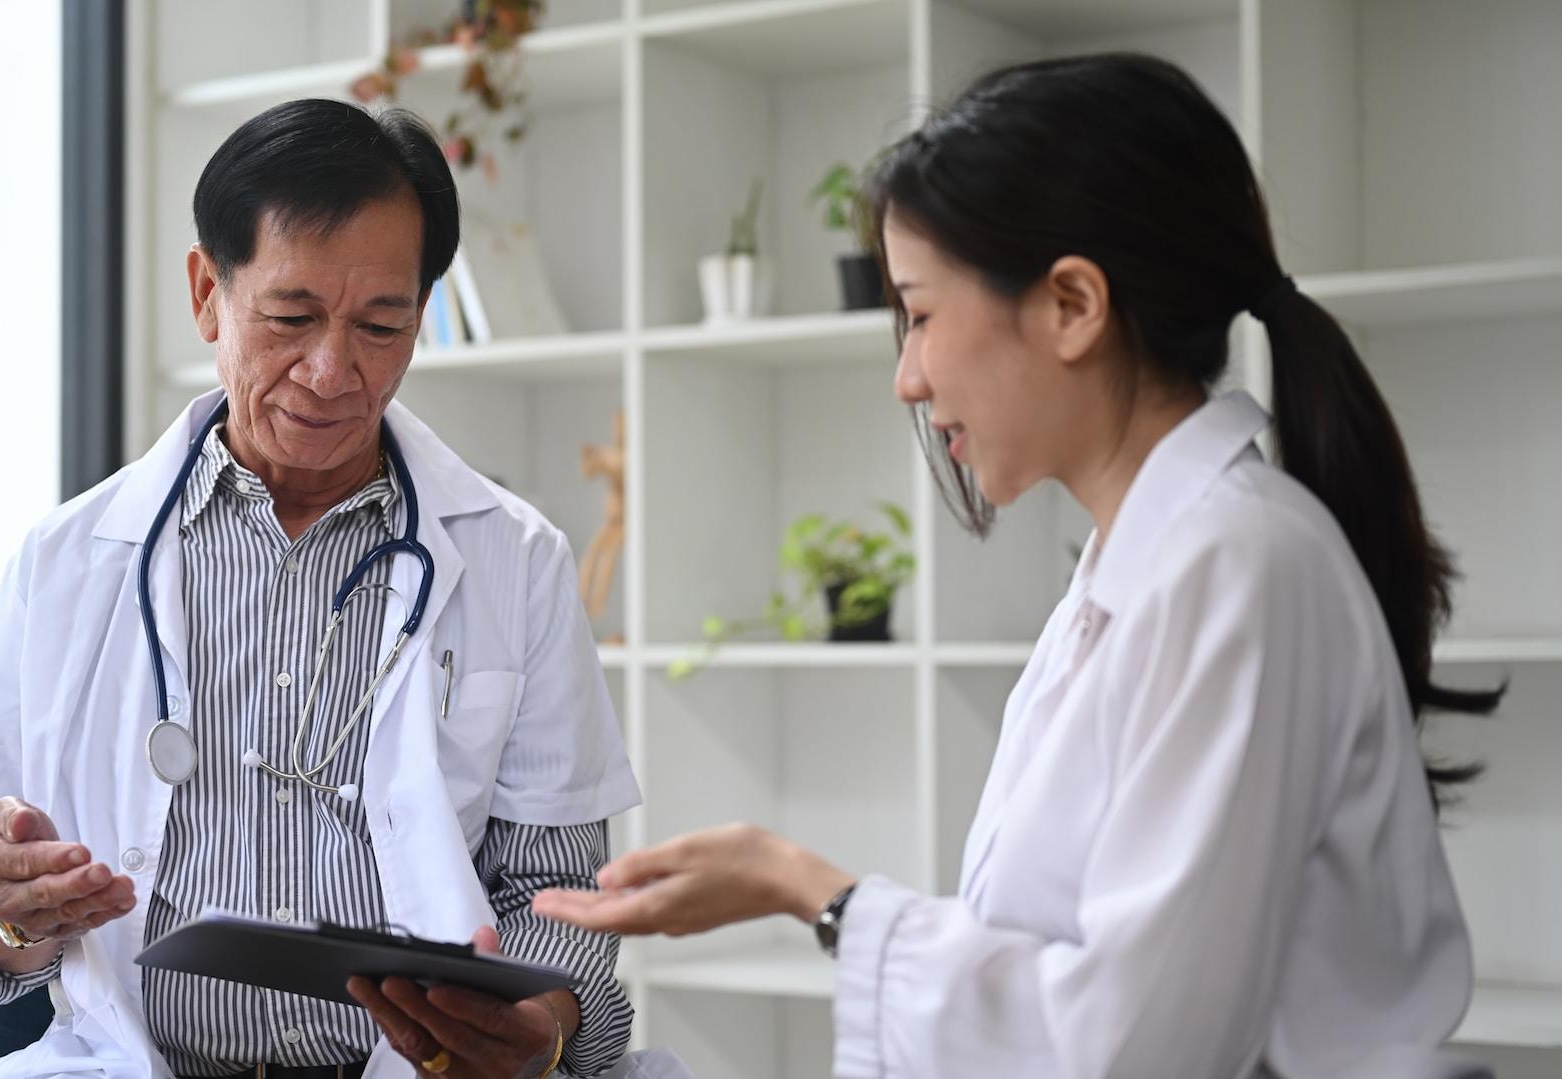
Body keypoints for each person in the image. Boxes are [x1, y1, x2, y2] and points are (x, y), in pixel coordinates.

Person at [534, 53, 1501, 1078]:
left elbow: (1138, 1041)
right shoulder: (1143, 570)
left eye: (920, 312)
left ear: (1074, 303)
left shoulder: (1237, 565)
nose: (908, 376)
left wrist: (804, 885)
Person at [0, 99, 642, 1079]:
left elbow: (561, 898)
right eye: (291, 317)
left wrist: (542, 1024)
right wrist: (4, 909)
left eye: (381, 324)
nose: (331, 369)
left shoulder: (517, 561)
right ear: (207, 292)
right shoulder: (65, 564)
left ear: (421, 316)